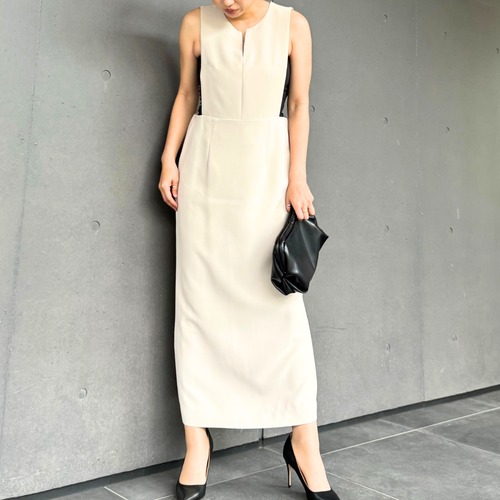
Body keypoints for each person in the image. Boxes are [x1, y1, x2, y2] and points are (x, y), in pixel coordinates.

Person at [158, 1, 339, 499]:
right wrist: (169, 159)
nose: (227, 2)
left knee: (279, 308)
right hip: (205, 169)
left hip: (267, 170)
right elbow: (187, 93)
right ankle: (197, 441)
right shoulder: (195, 23)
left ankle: (303, 443)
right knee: (198, 306)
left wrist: (297, 176)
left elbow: (298, 104)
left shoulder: (293, 25)